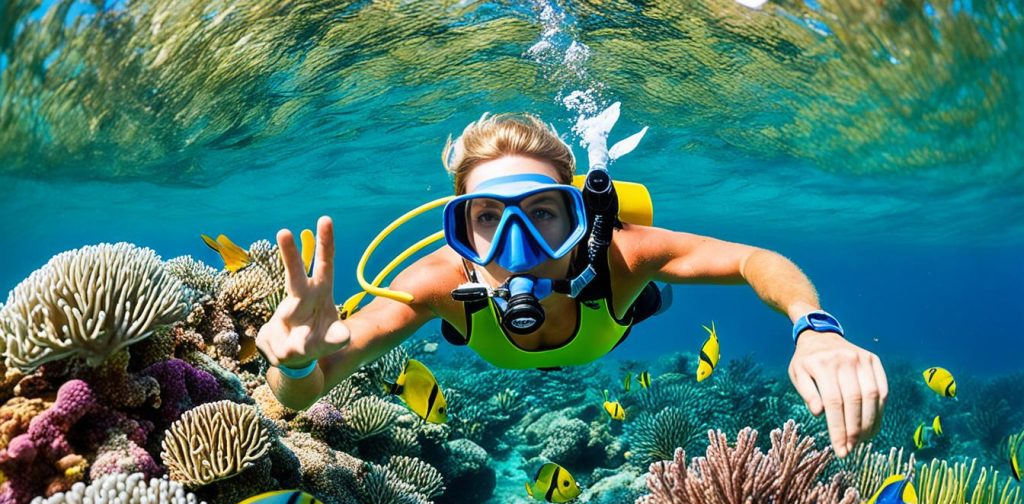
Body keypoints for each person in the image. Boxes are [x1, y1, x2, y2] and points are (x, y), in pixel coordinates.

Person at [255, 112, 887, 458]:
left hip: (611, 319)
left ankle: (646, 299)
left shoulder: (620, 255)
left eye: (542, 215)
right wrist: (298, 361)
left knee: (650, 295)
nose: (518, 249)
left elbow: (753, 260)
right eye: (488, 221)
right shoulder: (435, 285)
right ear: (463, 231)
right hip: (503, 316)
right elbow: (302, 393)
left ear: (577, 216)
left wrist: (813, 324)